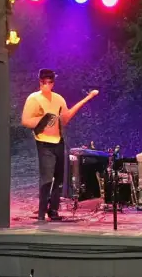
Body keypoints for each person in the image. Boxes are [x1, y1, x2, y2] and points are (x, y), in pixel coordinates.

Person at [20, 68, 99, 223]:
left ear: (53, 82)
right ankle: (42, 211)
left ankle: (53, 209)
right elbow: (26, 120)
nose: (47, 85)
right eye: (44, 82)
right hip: (44, 142)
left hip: (58, 141)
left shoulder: (58, 99)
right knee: (46, 178)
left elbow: (65, 118)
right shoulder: (34, 99)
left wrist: (87, 99)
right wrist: (42, 119)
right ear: (40, 82)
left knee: (59, 179)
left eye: (50, 82)